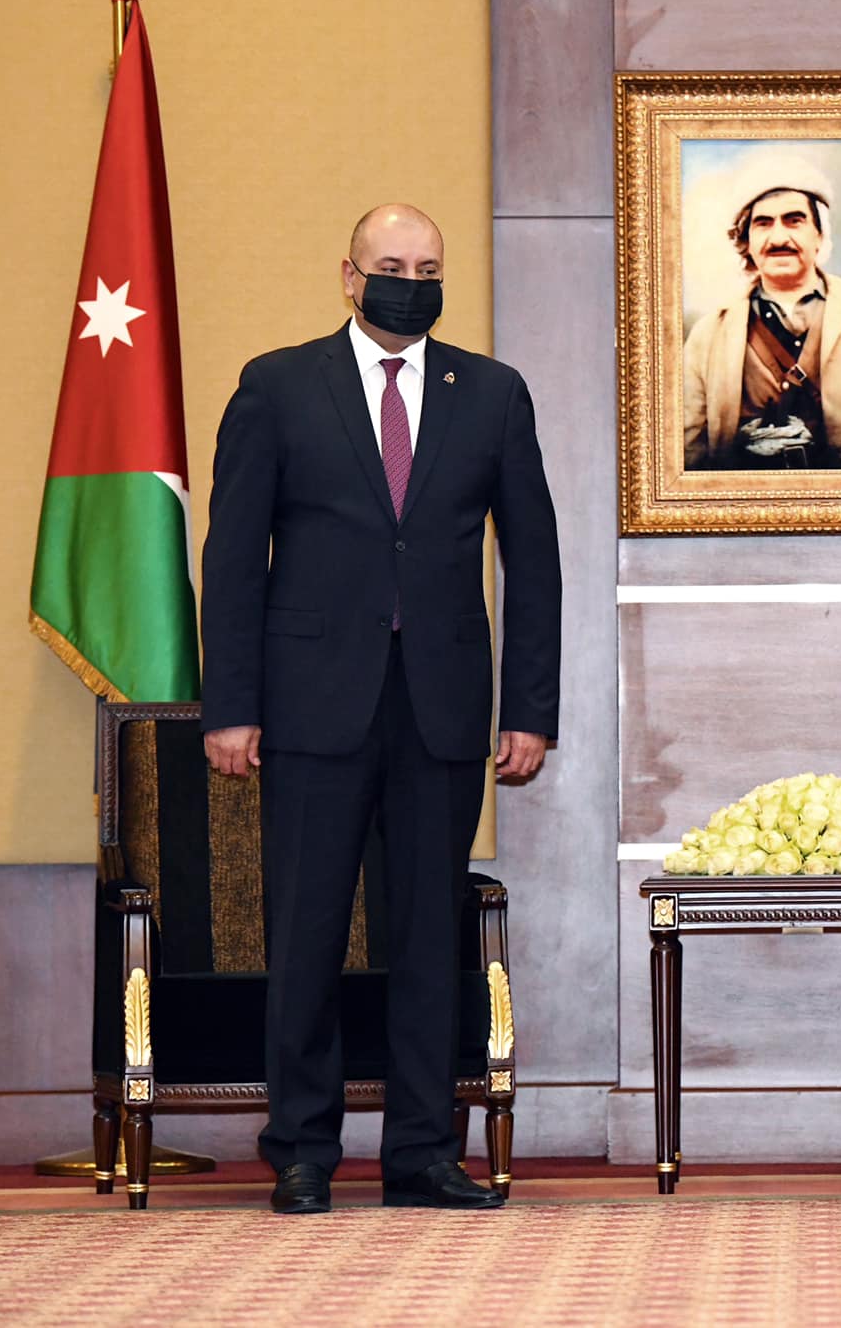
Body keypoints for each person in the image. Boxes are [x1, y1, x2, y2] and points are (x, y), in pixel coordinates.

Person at [201, 204, 561, 1214]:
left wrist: (530, 708)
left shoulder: (490, 393)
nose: (411, 278)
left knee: (427, 941)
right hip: (311, 707)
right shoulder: (278, 386)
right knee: (306, 931)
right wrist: (230, 705)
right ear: (349, 277)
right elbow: (232, 560)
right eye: (392, 264)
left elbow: (532, 559)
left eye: (428, 266)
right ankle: (303, 1148)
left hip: (442, 710)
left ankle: (419, 1151)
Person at [682, 155, 841, 470]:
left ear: (819, 235)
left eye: (794, 220)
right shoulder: (707, 337)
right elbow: (687, 457)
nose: (779, 238)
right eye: (763, 223)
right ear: (746, 241)